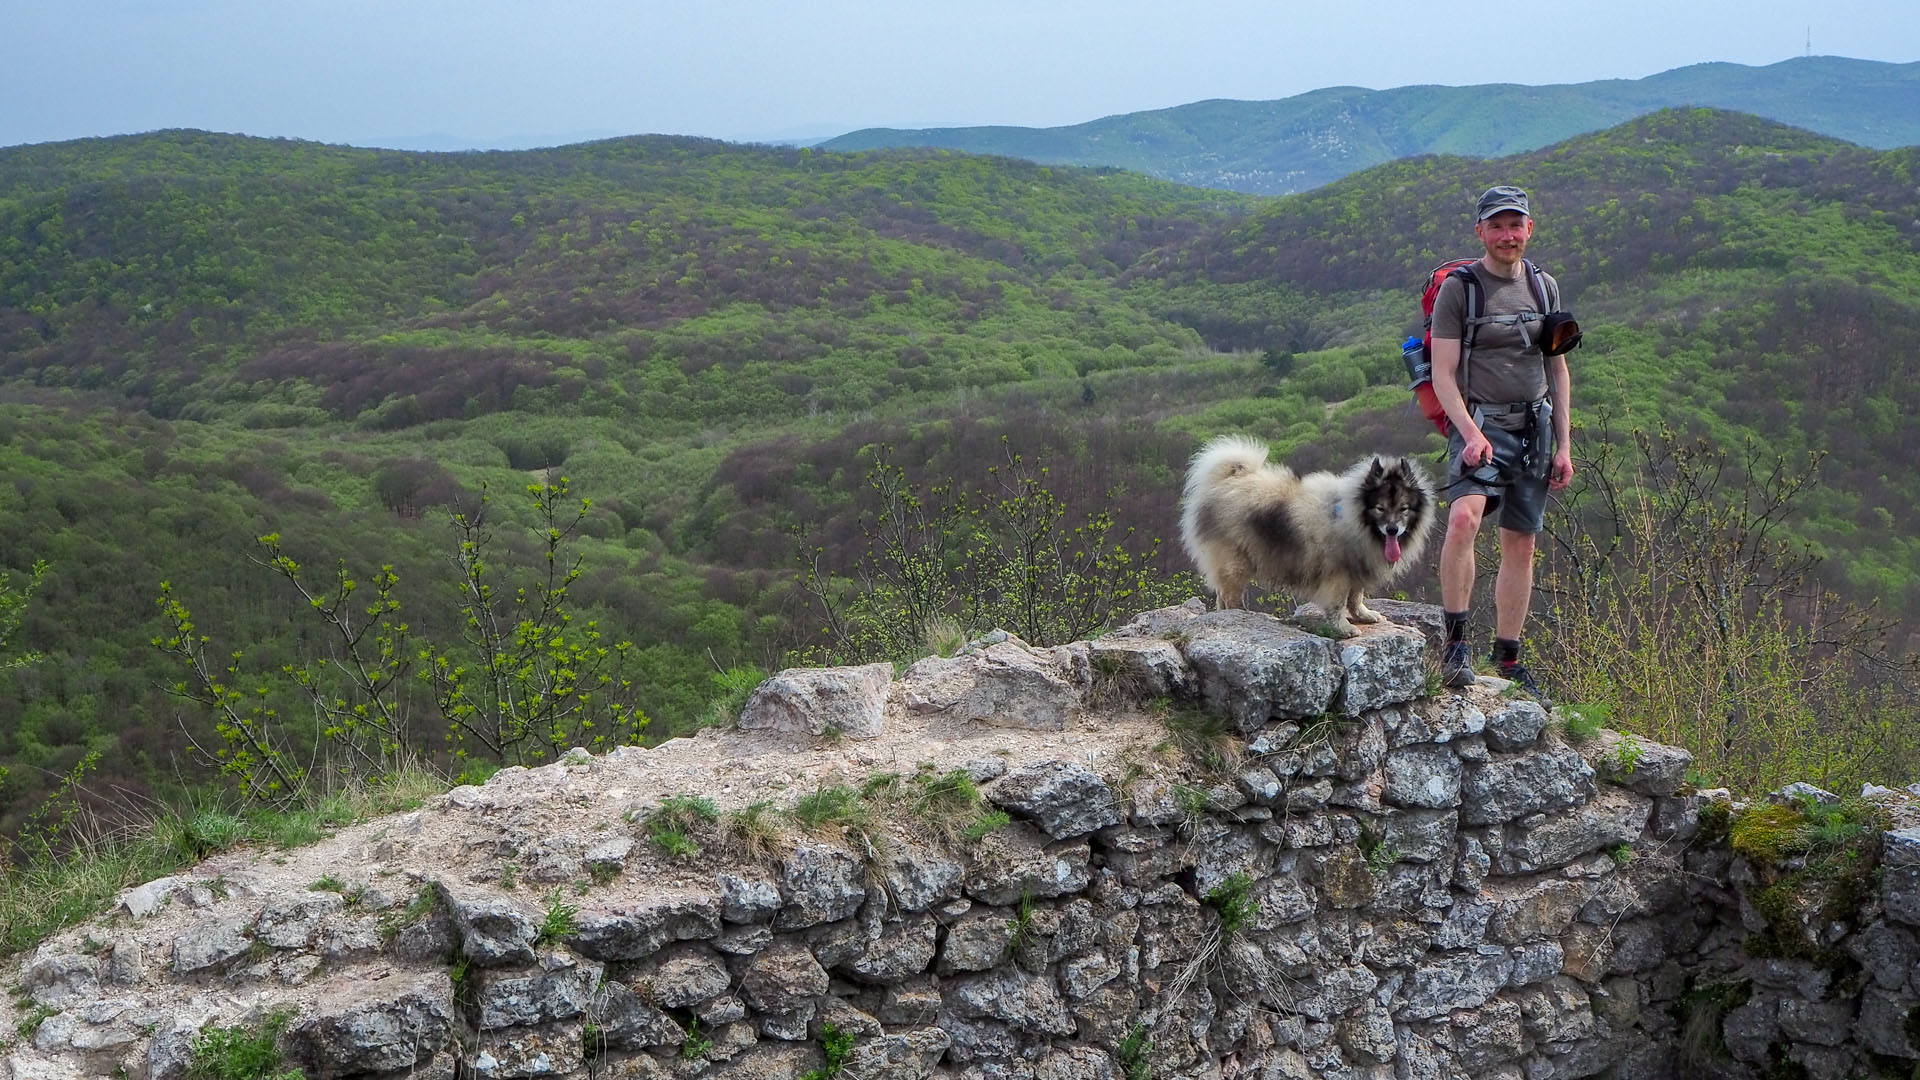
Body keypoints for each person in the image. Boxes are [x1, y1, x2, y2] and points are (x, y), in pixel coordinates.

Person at [1428, 184, 1574, 701]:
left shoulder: (1544, 288)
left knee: (1521, 541)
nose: (1507, 235)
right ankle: (1455, 645)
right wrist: (1469, 433)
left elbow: (1557, 366)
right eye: (1497, 226)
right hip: (1480, 423)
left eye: (1516, 225)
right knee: (1465, 517)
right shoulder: (1460, 290)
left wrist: (1564, 444)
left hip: (1535, 427)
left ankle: (1508, 657)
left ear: (1529, 229)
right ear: (1481, 232)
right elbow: (1444, 374)